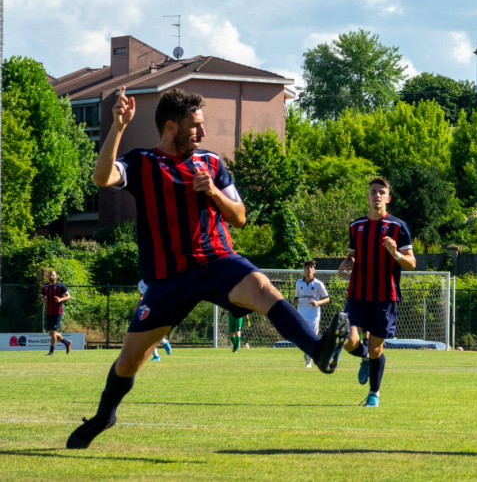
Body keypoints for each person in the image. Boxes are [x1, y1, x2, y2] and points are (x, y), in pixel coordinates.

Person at [66, 87, 349, 449]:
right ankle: (105, 415)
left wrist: (213, 192)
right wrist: (118, 127)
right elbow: (101, 178)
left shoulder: (212, 163)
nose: (202, 133)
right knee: (129, 361)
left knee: (265, 290)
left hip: (218, 261)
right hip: (169, 279)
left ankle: (317, 349)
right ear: (171, 127)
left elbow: (241, 218)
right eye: (195, 126)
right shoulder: (142, 163)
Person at [338, 177, 416, 407]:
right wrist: (345, 263)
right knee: (349, 340)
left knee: (376, 349)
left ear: (388, 198)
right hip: (358, 295)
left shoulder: (398, 227)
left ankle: (374, 393)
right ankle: (363, 357)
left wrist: (396, 254)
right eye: (373, 192)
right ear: (368, 197)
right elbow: (352, 255)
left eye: (382, 192)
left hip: (385, 296)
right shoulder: (356, 226)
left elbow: (411, 263)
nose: (377, 195)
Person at [294, 260, 331, 368]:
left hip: (313, 315)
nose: (308, 269)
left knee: (312, 337)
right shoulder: (298, 283)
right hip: (301, 314)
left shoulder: (319, 284)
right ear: (304, 270)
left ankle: (308, 361)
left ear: (314, 270)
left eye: (311, 267)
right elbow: (296, 297)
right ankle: (308, 353)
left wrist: (317, 302)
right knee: (302, 337)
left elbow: (327, 299)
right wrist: (293, 303)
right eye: (307, 267)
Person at [135, 280, 172, 361]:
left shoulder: (157, 280)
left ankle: (164, 342)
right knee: (148, 333)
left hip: (157, 307)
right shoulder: (140, 283)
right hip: (146, 309)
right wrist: (138, 305)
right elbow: (141, 296)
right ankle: (156, 355)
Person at [41, 270, 72, 356]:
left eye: (53, 275)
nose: (51, 276)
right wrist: (43, 300)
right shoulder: (45, 286)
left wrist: (60, 299)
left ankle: (51, 352)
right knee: (51, 334)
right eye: (50, 275)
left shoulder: (61, 286)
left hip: (57, 311)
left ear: (56, 276)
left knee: (54, 332)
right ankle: (66, 342)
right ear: (47, 276)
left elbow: (69, 296)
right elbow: (42, 296)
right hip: (49, 311)